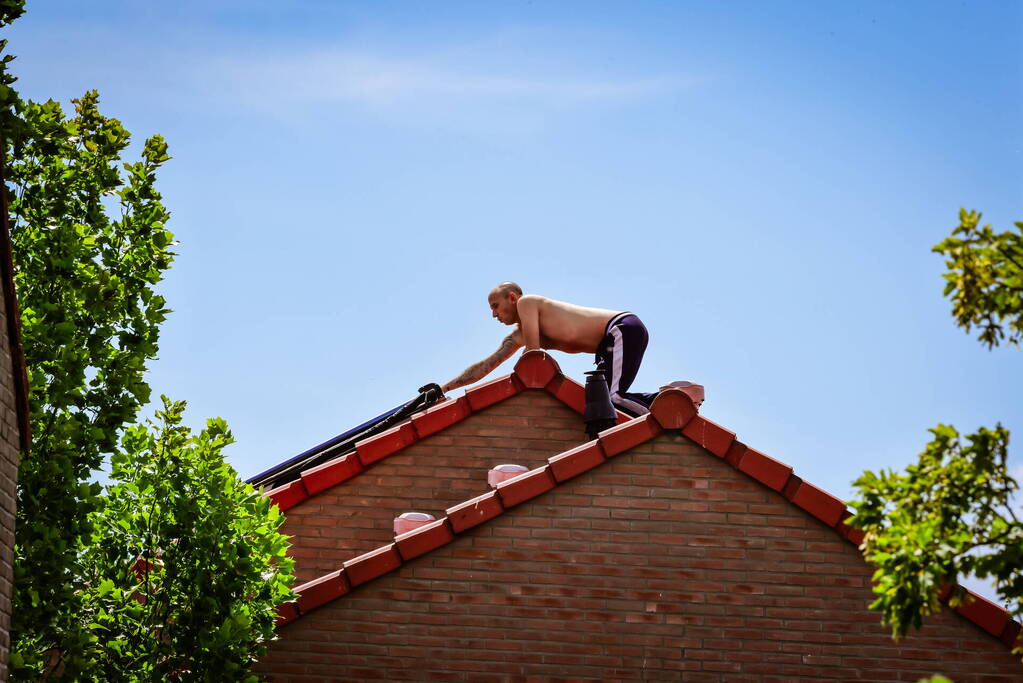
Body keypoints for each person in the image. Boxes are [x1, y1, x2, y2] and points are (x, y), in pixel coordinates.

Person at [440, 282, 656, 416]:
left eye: (495, 306)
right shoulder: (519, 334)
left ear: (512, 298)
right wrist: (446, 388)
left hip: (620, 328)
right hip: (607, 345)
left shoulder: (528, 303)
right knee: (601, 404)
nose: (494, 315)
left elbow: (534, 356)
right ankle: (665, 398)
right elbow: (489, 364)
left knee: (613, 399)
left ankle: (669, 412)